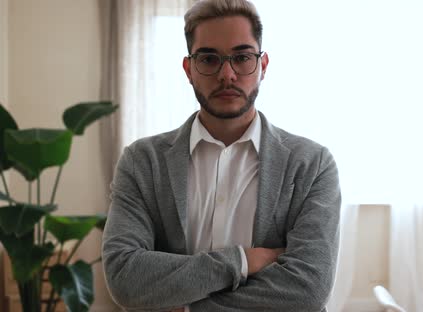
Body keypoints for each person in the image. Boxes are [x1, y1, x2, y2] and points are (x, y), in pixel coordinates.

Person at [101, 0, 341, 311]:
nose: (227, 74)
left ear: (262, 66)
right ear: (189, 69)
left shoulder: (312, 164)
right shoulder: (142, 162)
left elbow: (309, 288)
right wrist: (242, 261)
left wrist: (188, 307)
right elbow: (125, 278)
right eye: (209, 59)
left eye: (242, 57)